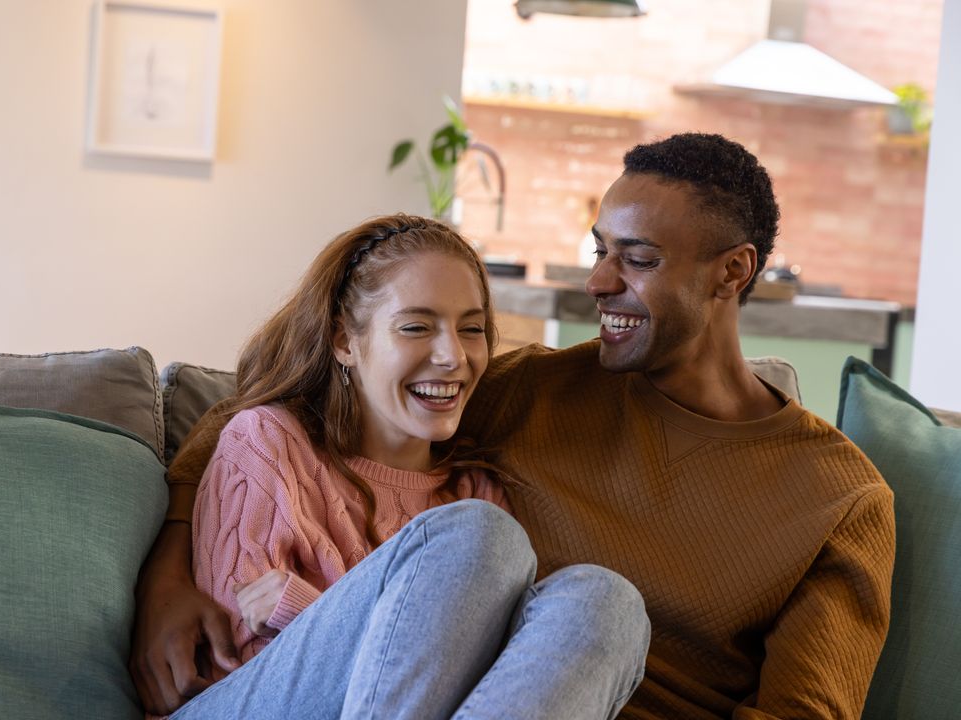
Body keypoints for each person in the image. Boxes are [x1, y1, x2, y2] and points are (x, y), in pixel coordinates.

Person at [133, 135, 895, 719]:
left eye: (636, 259)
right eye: (599, 251)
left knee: (604, 600)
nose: (598, 282)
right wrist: (166, 578)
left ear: (732, 271)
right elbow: (278, 409)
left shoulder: (842, 499)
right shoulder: (536, 390)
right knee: (485, 539)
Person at [142, 214, 649, 719]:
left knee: (608, 603)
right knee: (477, 535)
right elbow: (236, 661)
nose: (452, 356)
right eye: (416, 327)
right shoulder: (268, 443)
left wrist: (298, 604)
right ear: (345, 342)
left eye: (471, 329)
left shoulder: (475, 490)